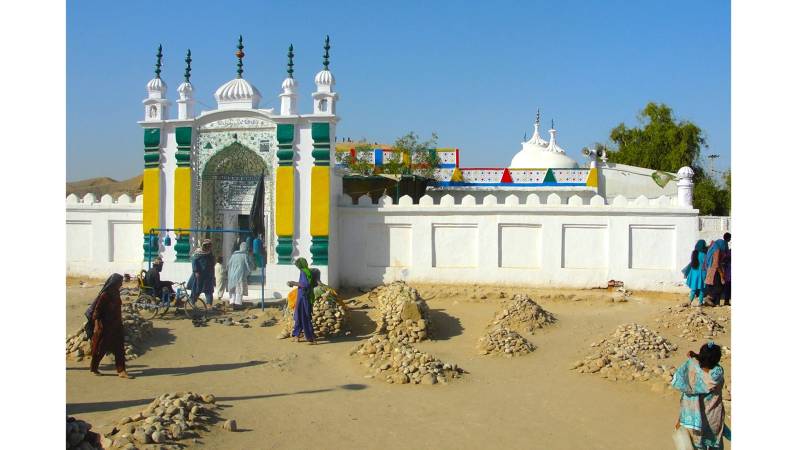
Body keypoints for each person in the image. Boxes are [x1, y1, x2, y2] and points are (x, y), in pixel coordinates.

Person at [671, 342, 726, 449]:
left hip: (692, 420)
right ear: (717, 360)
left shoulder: (691, 369)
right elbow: (705, 364)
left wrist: (694, 357)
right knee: (714, 445)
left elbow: (693, 366)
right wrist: (695, 356)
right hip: (713, 419)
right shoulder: (718, 374)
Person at [89, 273, 133, 379]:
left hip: (117, 326)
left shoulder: (116, 293)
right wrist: (97, 326)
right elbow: (96, 312)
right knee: (100, 348)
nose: (121, 284)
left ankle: (121, 371)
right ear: (114, 283)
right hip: (105, 327)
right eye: (119, 282)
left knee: (120, 349)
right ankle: (94, 367)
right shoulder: (105, 295)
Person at [287, 257, 317, 344]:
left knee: (305, 317)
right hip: (302, 297)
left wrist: (293, 283)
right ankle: (296, 336)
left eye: (298, 264)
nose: (297, 266)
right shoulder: (307, 271)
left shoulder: (304, 272)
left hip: (304, 298)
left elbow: (305, 284)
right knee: (299, 317)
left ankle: (311, 338)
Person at [187, 238, 215, 307]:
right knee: (197, 289)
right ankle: (192, 301)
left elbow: (212, 262)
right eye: (207, 246)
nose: (208, 247)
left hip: (208, 275)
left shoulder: (209, 253)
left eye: (209, 246)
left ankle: (209, 304)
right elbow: (194, 262)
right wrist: (196, 271)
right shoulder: (197, 253)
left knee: (209, 290)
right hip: (199, 275)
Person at [704, 238, 729, 307]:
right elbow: (716, 264)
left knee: (713, 287)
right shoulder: (717, 250)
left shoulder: (712, 248)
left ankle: (715, 303)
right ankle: (709, 298)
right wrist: (721, 275)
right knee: (719, 287)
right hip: (715, 272)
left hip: (711, 270)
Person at [227, 242, 253, 308]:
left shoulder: (233, 255)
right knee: (239, 290)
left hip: (231, 276)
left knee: (232, 289)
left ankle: (232, 302)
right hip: (240, 275)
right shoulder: (245, 255)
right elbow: (248, 265)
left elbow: (228, 265)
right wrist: (249, 271)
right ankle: (238, 304)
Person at [683, 240, 707, 307]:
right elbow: (705, 265)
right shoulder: (704, 254)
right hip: (702, 273)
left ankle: (689, 301)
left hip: (693, 273)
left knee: (693, 289)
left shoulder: (694, 253)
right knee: (702, 289)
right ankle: (700, 302)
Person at [720, 233, 731, 306]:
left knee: (726, 287)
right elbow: (725, 257)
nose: (730, 239)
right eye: (730, 238)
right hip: (727, 271)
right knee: (727, 287)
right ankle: (726, 301)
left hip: (726, 270)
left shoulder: (723, 244)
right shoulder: (725, 245)